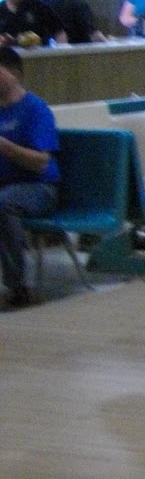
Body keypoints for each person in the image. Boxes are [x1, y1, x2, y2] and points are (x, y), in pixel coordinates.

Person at [0, 45, 60, 309]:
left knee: (3, 204)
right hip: (6, 185)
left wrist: (6, 147)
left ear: (14, 73)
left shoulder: (35, 109)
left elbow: (41, 162)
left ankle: (17, 286)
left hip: (39, 188)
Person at [0, 0, 65, 47]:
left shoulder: (36, 6)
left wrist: (62, 52)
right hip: (7, 57)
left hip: (37, 56)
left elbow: (59, 31)